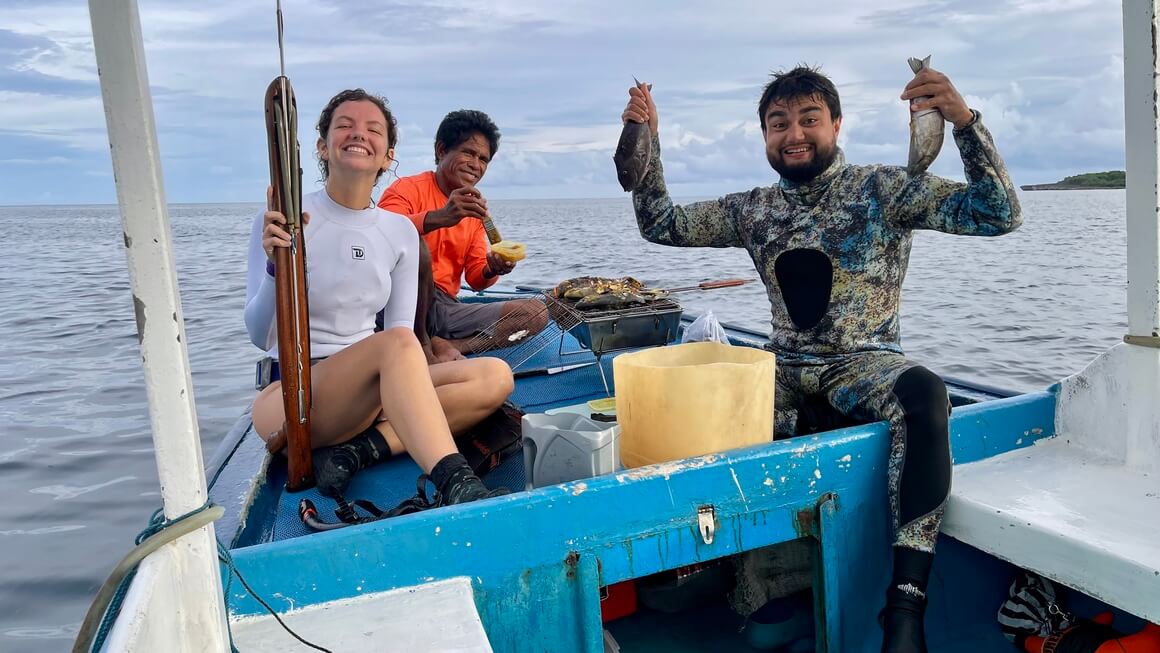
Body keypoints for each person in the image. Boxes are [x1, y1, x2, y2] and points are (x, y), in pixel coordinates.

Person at [620, 66, 1022, 653]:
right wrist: (646, 139)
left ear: (836, 123)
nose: (794, 134)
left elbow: (999, 213)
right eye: (778, 124)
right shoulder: (754, 209)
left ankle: (905, 607)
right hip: (783, 368)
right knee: (700, 401)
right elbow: (661, 223)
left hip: (866, 362)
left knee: (925, 394)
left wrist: (964, 122)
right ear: (764, 137)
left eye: (809, 119)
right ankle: (720, 570)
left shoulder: (883, 189)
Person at [245, 89, 514, 507]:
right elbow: (260, 335)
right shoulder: (287, 218)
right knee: (398, 346)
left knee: (496, 376)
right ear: (322, 146)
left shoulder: (399, 231)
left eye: (373, 129)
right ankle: (459, 485)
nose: (359, 134)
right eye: (345, 126)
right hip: (294, 401)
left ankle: (360, 450)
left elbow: (403, 334)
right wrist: (275, 265)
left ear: (388, 155)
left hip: (371, 398)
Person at [378, 109, 548, 360]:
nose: (476, 165)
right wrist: (441, 217)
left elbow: (476, 277)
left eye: (483, 159)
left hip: (445, 307)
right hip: (402, 300)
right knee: (416, 254)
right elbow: (381, 234)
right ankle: (428, 341)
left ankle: (453, 347)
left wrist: (493, 268)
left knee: (536, 313)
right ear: (442, 150)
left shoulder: (475, 214)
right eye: (468, 152)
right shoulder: (407, 189)